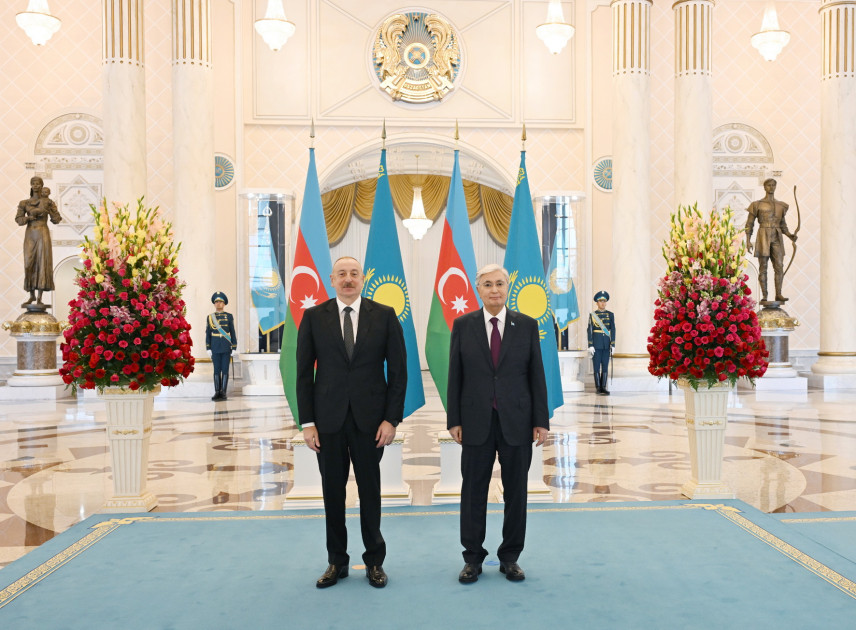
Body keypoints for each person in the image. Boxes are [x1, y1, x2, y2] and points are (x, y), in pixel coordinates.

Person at [296, 256, 407, 589]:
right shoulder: (314, 317)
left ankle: (374, 561)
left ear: (363, 279)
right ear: (332, 279)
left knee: (370, 491)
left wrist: (391, 419)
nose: (348, 279)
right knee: (332, 493)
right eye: (342, 274)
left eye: (354, 274)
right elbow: (302, 374)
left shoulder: (385, 316)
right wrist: (307, 422)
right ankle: (336, 561)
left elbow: (399, 373)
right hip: (327, 423)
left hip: (371, 423)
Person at [447, 263, 548, 584]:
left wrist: (540, 420)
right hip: (475, 420)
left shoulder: (527, 325)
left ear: (508, 288)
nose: (494, 290)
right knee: (473, 491)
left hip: (517, 421)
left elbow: (536, 376)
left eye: (500, 284)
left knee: (516, 492)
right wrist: (454, 419)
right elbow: (455, 376)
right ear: (478, 289)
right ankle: (472, 558)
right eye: (488, 284)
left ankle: (510, 556)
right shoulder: (463, 325)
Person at [745, 178, 797, 302]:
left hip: (777, 236)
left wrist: (790, 235)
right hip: (763, 234)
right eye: (769, 185)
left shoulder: (781, 206)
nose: (771, 187)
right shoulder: (756, 204)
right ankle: (764, 295)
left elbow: (783, 225)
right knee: (763, 266)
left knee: (779, 266)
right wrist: (748, 240)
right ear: (764, 187)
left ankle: (778, 294)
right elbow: (749, 224)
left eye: (773, 185)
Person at [15, 176, 62, 306]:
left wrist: (53, 211)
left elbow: (56, 219)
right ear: (31, 185)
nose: (36, 186)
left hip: (43, 233)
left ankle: (40, 296)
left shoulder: (47, 202)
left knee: (42, 263)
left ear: (42, 186)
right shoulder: (24, 203)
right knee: (29, 263)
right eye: (33, 184)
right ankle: (31, 295)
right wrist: (30, 217)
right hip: (30, 233)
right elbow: (19, 220)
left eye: (38, 184)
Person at [205, 292, 237, 401]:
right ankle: (217, 392)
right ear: (214, 304)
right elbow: (208, 333)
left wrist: (234, 347)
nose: (218, 304)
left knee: (225, 370)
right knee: (216, 370)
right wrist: (208, 347)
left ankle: (223, 392)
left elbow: (232, 332)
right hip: (215, 346)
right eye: (216, 302)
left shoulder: (229, 316)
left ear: (224, 304)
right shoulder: (210, 317)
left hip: (225, 346)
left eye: (220, 302)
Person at [587, 291, 615, 395]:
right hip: (596, 344)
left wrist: (613, 344)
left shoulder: (610, 314)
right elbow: (589, 330)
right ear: (597, 303)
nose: (603, 303)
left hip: (606, 345)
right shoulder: (593, 315)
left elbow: (613, 329)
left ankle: (603, 387)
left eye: (604, 301)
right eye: (600, 301)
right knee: (596, 366)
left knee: (605, 366)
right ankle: (598, 388)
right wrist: (590, 344)